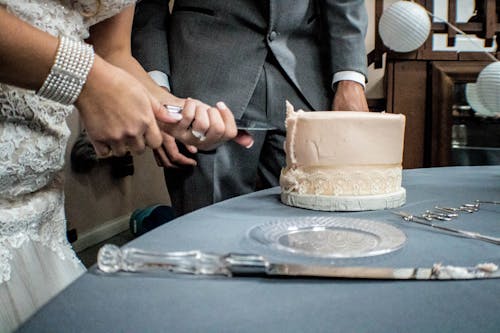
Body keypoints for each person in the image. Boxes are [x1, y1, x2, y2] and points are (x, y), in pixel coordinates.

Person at [0, 1, 242, 331]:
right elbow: (96, 71)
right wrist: (86, 79)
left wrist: (173, 111)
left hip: (38, 205)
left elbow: (113, 52)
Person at [132, 0, 370, 216]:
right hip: (203, 85)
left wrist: (350, 78)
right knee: (209, 238)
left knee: (313, 233)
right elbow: (148, 8)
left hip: (306, 82)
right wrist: (158, 95)